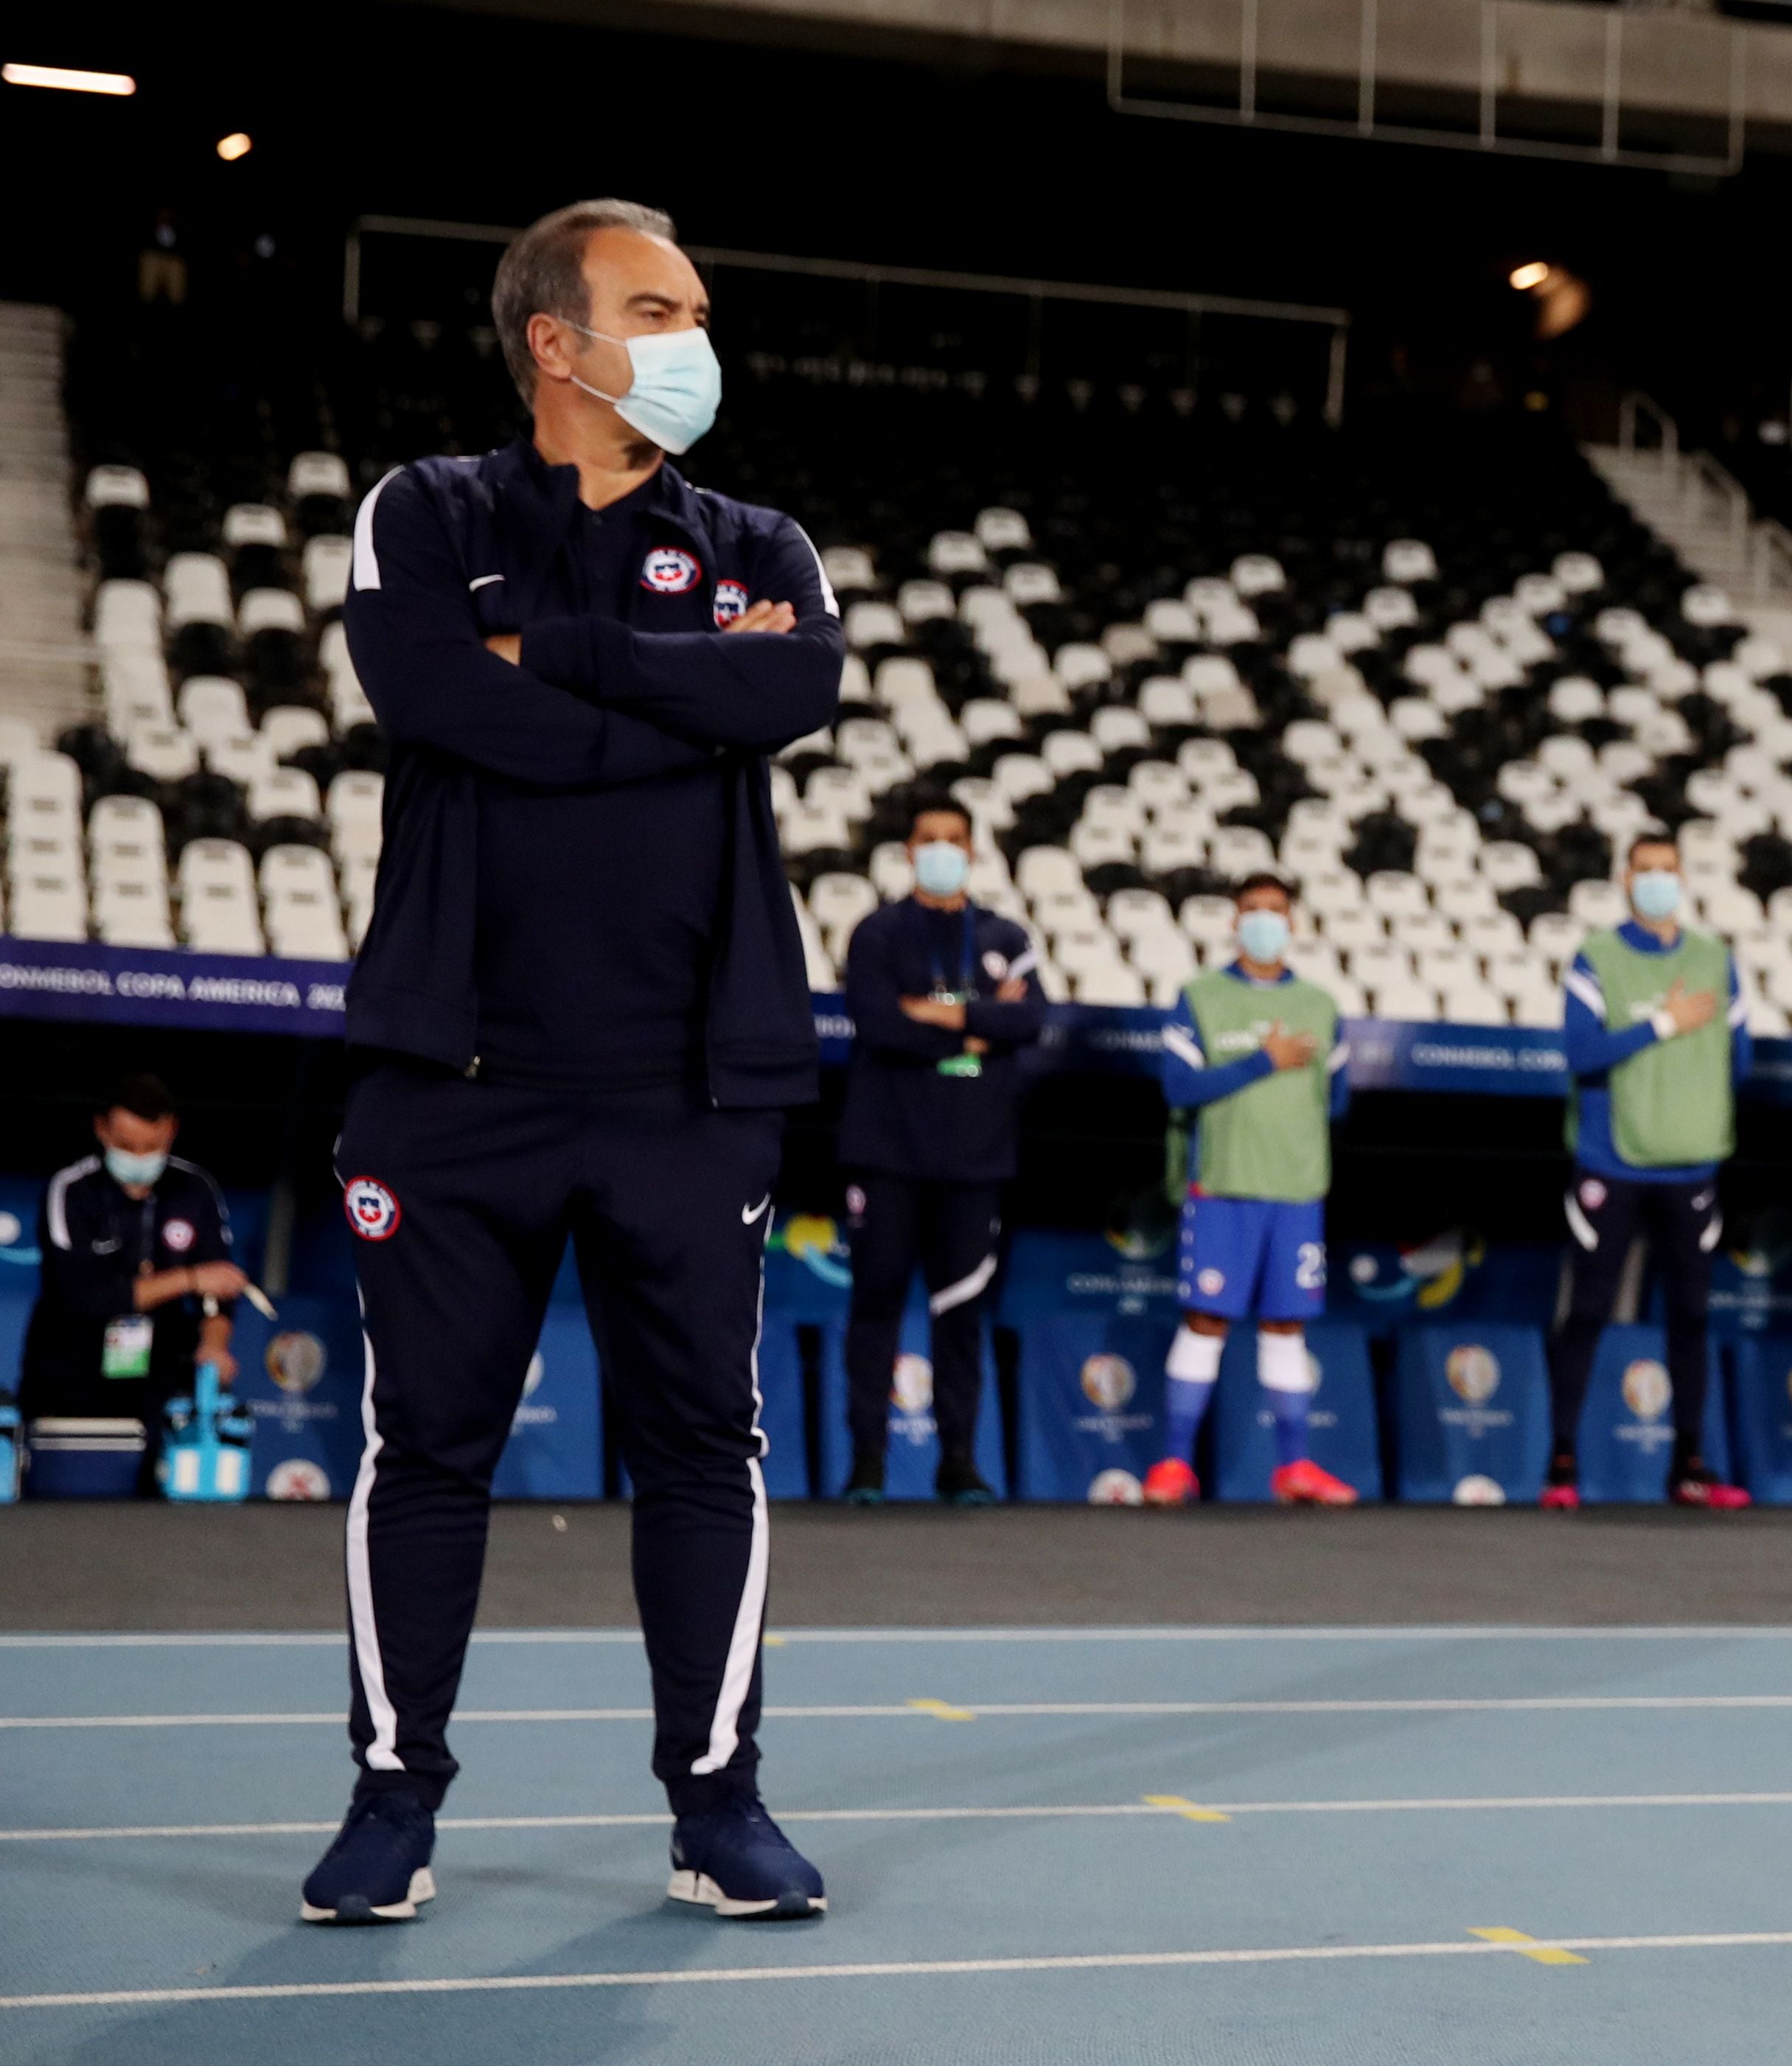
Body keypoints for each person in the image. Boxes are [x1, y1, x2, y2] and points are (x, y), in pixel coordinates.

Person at [307, 199, 843, 1927]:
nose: (696, 338)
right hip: (453, 1080)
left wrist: (584, 663)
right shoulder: (428, 509)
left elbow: (800, 687)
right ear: (557, 338)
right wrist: (686, 706)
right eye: (661, 308)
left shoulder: (763, 539)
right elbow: (438, 699)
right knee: (431, 1445)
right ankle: (396, 1794)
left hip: (694, 1088)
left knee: (704, 1443)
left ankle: (718, 1802)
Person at [834, 793, 1044, 1507]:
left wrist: (933, 1011)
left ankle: (959, 1461)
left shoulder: (1006, 932)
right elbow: (876, 1025)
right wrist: (975, 1027)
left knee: (961, 1313)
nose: (942, 850)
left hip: (974, 1158)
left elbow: (1030, 1020)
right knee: (876, 1306)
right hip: (887, 1152)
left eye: (955, 838)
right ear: (908, 850)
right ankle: (867, 1461)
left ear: (974, 850)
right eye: (929, 838)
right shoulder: (877, 933)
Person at [1545, 831, 1752, 1510]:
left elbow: (1738, 1059)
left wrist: (1690, 1110)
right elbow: (1579, 1052)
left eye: (1669, 869)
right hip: (1612, 1161)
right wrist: (1661, 1025)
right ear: (1625, 878)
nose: (1659, 880)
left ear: (1683, 877)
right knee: (1589, 1309)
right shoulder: (1596, 958)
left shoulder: (1715, 960)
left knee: (1691, 1313)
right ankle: (1562, 1464)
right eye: (1646, 870)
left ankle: (1688, 1465)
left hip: (1690, 1167)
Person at [1144, 873, 1359, 1506]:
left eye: (1275, 911)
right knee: (1206, 1320)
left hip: (1294, 1192)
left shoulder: (1321, 1005)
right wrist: (1261, 1061)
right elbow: (1178, 1090)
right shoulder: (1200, 997)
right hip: (1224, 1186)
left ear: (1294, 925)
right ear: (1233, 923)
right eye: (1251, 911)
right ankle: (1175, 1465)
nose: (1263, 921)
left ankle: (1294, 1468)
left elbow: (1335, 1101)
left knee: (1286, 1325)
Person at [18, 1075, 244, 1470]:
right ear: (102, 1129)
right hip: (72, 1376)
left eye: (151, 1147)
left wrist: (214, 1344)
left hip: (160, 1379)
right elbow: (81, 1299)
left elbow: (218, 1288)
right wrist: (187, 1279)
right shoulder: (71, 1189)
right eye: (126, 1146)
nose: (139, 1159)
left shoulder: (196, 1189)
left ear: (171, 1131)